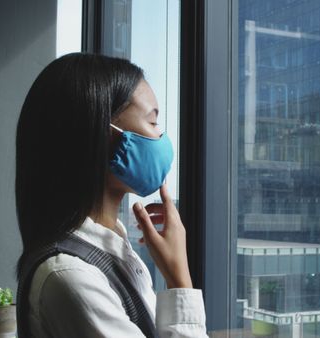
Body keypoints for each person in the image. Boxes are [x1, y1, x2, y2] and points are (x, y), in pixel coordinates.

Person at [15, 52, 208, 337]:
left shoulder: (109, 248)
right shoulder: (69, 276)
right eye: (153, 123)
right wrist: (179, 279)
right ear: (103, 135)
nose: (161, 138)